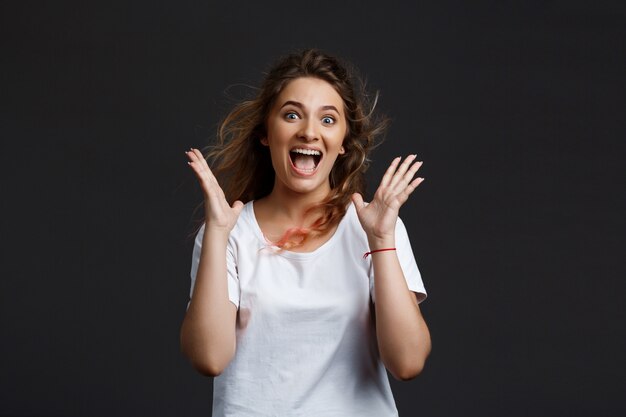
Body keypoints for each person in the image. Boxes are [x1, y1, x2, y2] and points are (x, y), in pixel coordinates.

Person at [180, 49, 431, 416]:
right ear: (266, 132)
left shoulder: (376, 229)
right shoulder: (228, 233)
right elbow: (209, 358)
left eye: (328, 120)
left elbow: (407, 362)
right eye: (292, 115)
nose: (310, 132)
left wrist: (381, 242)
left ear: (343, 141)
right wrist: (217, 234)